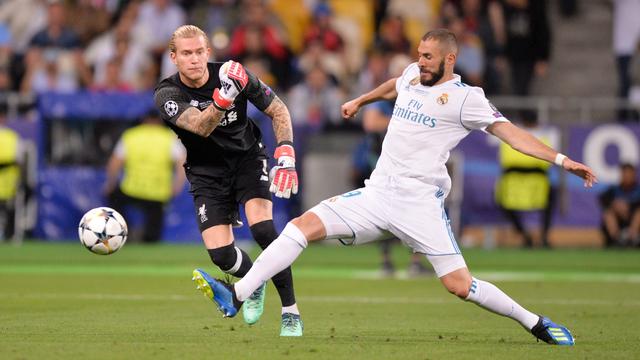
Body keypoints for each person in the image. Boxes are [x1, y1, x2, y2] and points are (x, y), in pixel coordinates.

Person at [200, 29, 598, 345]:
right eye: (419, 54)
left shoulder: (465, 99)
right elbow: (395, 83)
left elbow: (512, 136)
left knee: (459, 285)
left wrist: (563, 160)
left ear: (450, 58)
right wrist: (361, 101)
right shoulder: (412, 74)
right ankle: (236, 296)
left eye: (428, 57)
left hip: (419, 204)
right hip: (376, 195)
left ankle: (534, 322)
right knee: (301, 226)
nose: (419, 62)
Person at [153, 25, 303, 336]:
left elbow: (278, 109)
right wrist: (224, 99)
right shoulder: (167, 94)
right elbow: (200, 126)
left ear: (208, 53)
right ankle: (252, 282)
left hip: (247, 159)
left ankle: (291, 311)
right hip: (206, 172)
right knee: (221, 256)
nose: (194, 59)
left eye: (199, 52)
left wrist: (286, 153)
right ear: (174, 58)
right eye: (186, 53)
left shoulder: (234, 73)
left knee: (263, 229)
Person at [353, 100, 432, 277]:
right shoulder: (385, 103)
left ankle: (415, 262)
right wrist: (404, 121)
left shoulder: (417, 102)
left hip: (409, 167)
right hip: (383, 168)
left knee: (416, 215)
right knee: (383, 215)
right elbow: (370, 122)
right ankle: (386, 261)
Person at [103, 109, 187, 243]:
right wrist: (177, 185)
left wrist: (110, 183)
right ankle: (148, 240)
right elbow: (182, 164)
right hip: (157, 193)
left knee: (114, 199)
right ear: (160, 121)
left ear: (143, 120)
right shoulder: (169, 137)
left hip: (131, 188)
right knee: (153, 232)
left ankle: (124, 231)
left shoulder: (131, 135)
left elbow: (114, 163)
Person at [495, 115, 555, 247]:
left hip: (521, 183)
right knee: (551, 198)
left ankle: (530, 235)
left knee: (502, 202)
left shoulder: (510, 138)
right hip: (529, 183)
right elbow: (546, 162)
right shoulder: (542, 140)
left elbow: (507, 160)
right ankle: (537, 236)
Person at [599, 163, 640, 247]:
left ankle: (632, 238)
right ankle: (617, 240)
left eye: (629, 174)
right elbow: (602, 200)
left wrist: (629, 207)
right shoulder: (614, 190)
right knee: (608, 213)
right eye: (625, 173)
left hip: (634, 221)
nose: (627, 176)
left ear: (634, 175)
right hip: (619, 221)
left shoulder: (638, 190)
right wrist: (615, 204)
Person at [0, 107, 23, 241]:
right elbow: (19, 161)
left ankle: (9, 234)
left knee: (9, 211)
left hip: (8, 184)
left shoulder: (13, 137)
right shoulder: (13, 137)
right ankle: (8, 234)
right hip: (9, 184)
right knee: (9, 211)